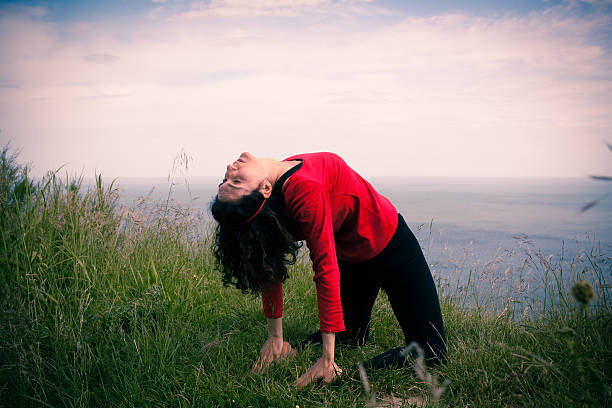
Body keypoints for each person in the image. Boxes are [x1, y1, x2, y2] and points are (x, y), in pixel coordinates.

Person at [210, 152, 446, 389]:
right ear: (265, 188)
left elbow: (291, 262)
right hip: (370, 256)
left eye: (228, 179)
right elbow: (279, 263)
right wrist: (277, 339)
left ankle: (327, 366)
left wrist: (310, 350)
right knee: (409, 347)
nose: (230, 169)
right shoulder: (300, 189)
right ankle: (335, 373)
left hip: (383, 244)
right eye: (236, 182)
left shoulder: (287, 178)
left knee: (426, 350)